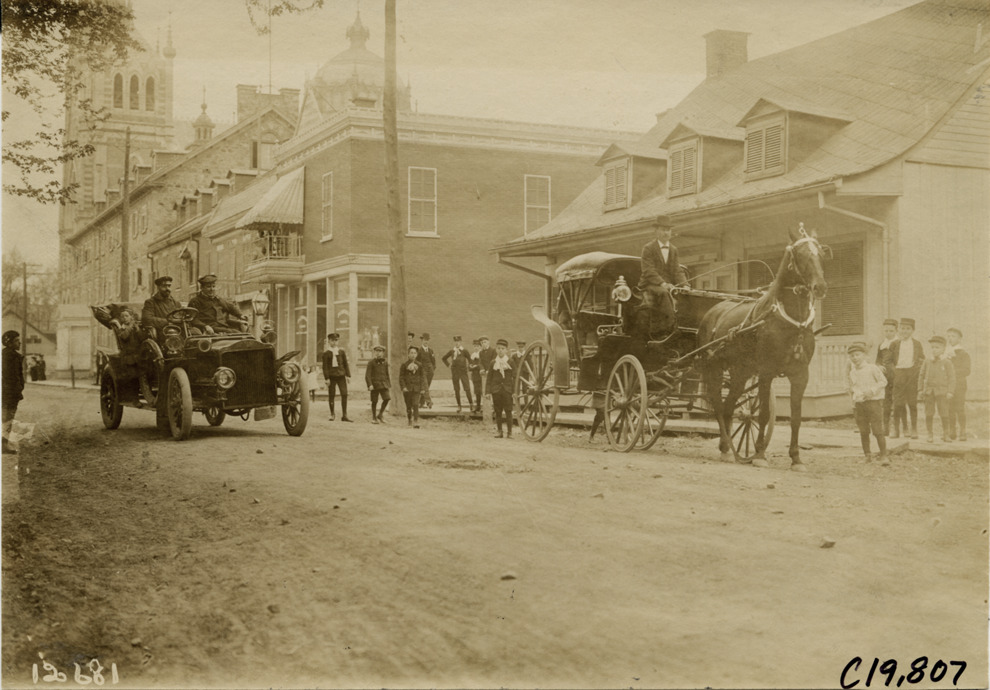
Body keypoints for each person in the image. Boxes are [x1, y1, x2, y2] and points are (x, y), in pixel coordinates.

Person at [637, 220, 687, 334]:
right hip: (650, 284)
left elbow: (677, 270)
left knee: (686, 294)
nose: (666, 233)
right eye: (663, 230)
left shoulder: (673, 249)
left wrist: (685, 284)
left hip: (668, 285)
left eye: (668, 230)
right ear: (656, 231)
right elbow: (648, 270)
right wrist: (662, 283)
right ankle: (668, 328)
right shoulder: (648, 248)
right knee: (664, 293)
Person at [846, 341, 887, 462]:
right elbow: (854, 388)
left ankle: (884, 455)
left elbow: (883, 381)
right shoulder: (852, 372)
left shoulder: (872, 368)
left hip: (873, 403)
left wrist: (872, 391)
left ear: (864, 355)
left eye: (857, 355)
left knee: (877, 430)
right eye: (852, 356)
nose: (855, 358)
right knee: (863, 431)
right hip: (860, 404)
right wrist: (854, 401)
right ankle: (867, 455)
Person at [889, 317, 924, 439]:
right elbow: (888, 361)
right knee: (898, 404)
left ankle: (914, 429)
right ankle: (897, 429)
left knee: (912, 403)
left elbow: (921, 358)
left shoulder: (917, 344)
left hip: (912, 375)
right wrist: (895, 371)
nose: (905, 331)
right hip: (899, 374)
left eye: (908, 329)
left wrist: (916, 368)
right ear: (898, 329)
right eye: (902, 328)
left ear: (912, 330)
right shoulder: (894, 344)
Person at [918, 335, 955, 443]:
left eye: (937, 347)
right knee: (929, 413)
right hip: (929, 391)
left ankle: (946, 434)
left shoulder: (947, 362)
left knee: (944, 413)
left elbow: (952, 377)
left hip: (942, 392)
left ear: (943, 349)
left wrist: (950, 391)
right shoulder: (927, 361)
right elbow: (921, 375)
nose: (934, 350)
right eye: (932, 347)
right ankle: (930, 434)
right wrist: (920, 389)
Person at [487, 338, 516, 438]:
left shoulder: (510, 362)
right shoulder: (493, 363)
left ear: (506, 350)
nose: (500, 350)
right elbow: (489, 378)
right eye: (498, 348)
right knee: (498, 411)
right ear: (496, 349)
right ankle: (499, 431)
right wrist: (488, 392)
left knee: (508, 411)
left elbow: (515, 377)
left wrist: (514, 391)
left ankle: (510, 432)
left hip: (507, 390)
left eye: (503, 348)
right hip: (496, 390)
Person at [2, 331, 25, 454]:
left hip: (10, 392)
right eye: (16, 340)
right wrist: (17, 388)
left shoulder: (11, 356)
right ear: (9, 343)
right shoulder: (9, 357)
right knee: (7, 418)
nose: (19, 343)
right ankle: (3, 445)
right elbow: (10, 376)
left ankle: (4, 444)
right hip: (8, 393)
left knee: (7, 418)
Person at [945, 328, 970, 441]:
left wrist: (952, 371)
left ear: (960, 339)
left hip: (959, 384)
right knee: (949, 408)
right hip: (948, 385)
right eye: (949, 336)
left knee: (959, 408)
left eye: (953, 336)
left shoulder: (963, 353)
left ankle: (963, 431)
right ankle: (952, 430)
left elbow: (967, 370)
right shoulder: (946, 353)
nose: (950, 338)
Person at [321, 333, 352, 422]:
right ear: (329, 341)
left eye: (336, 340)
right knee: (332, 395)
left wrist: (348, 375)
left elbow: (345, 364)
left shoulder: (341, 352)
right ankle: (332, 414)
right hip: (332, 377)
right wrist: (327, 378)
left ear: (338, 341)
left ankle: (344, 415)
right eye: (332, 340)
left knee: (344, 394)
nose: (334, 342)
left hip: (341, 376)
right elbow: (325, 367)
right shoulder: (326, 354)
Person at [875, 318, 898, 436]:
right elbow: (878, 360)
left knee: (896, 402)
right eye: (886, 331)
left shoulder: (899, 343)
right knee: (885, 402)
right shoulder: (882, 344)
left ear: (896, 331)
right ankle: (886, 427)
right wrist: (879, 366)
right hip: (885, 377)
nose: (888, 333)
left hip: (896, 376)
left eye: (891, 331)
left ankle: (896, 427)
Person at [442, 336, 474, 413]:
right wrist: (449, 365)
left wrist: (469, 366)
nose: (457, 343)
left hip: (463, 372)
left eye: (458, 341)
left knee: (467, 388)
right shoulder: (452, 351)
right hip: (455, 372)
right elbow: (444, 358)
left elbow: (470, 360)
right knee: (457, 389)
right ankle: (459, 406)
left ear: (460, 342)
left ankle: (471, 405)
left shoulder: (464, 351)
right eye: (456, 342)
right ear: (454, 342)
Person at [400, 345, 427, 428]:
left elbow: (422, 377)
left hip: (416, 388)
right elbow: (401, 377)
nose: (413, 355)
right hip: (407, 389)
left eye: (415, 353)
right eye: (411, 353)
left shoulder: (420, 365)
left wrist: (422, 388)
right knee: (408, 405)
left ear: (417, 354)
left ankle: (416, 420)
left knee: (415, 404)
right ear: (408, 354)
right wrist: (403, 387)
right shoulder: (404, 365)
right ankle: (409, 419)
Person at [365, 344, 391, 424]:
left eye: (380, 351)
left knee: (387, 398)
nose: (378, 353)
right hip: (374, 385)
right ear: (374, 352)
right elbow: (367, 375)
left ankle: (380, 415)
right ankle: (374, 417)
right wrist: (370, 385)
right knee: (374, 401)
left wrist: (388, 384)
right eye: (377, 351)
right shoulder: (371, 362)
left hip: (383, 384)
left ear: (383, 353)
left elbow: (387, 374)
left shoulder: (385, 362)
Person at [417, 333, 436, 409]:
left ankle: (421, 403)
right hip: (423, 370)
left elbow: (433, 361)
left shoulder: (431, 351)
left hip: (430, 371)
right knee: (425, 385)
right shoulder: (419, 351)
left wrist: (432, 369)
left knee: (425, 386)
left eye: (427, 340)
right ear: (422, 340)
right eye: (425, 340)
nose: (426, 342)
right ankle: (429, 402)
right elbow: (417, 361)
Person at [468, 340, 484, 413]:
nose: (476, 348)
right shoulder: (472, 355)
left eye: (477, 346)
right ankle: (478, 406)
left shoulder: (481, 354)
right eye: (475, 346)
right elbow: (469, 367)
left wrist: (475, 367)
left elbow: (482, 365)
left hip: (481, 375)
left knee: (482, 391)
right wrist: (471, 367)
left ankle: (484, 407)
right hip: (475, 376)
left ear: (480, 347)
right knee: (477, 392)